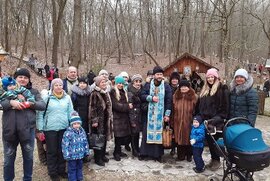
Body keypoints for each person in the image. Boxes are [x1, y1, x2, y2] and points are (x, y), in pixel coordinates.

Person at [1, 68, 46, 181]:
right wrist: (11, 102)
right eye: (20, 77)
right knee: (8, 160)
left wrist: (29, 103)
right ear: (15, 79)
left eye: (26, 77)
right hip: (10, 129)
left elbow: (42, 105)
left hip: (28, 130)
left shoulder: (33, 91)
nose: (23, 79)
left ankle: (27, 178)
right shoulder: (5, 90)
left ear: (29, 80)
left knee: (29, 158)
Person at [36, 78, 74, 181]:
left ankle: (61, 170)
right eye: (56, 85)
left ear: (63, 86)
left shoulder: (67, 98)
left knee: (62, 150)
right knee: (51, 151)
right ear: (52, 86)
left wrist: (72, 124)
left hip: (63, 128)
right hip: (50, 129)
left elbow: (71, 112)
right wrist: (40, 129)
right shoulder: (46, 97)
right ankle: (52, 172)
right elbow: (40, 114)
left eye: (60, 85)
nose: (58, 87)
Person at [198, 68, 229, 171]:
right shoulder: (205, 89)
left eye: (212, 77)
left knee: (214, 141)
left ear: (216, 77)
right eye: (208, 77)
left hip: (217, 120)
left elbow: (224, 106)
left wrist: (217, 118)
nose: (210, 79)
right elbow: (202, 105)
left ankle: (217, 160)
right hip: (207, 120)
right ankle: (213, 159)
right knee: (210, 141)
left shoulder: (222, 89)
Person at [140, 66, 172, 162]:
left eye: (161, 74)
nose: (159, 76)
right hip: (149, 114)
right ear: (154, 75)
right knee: (147, 134)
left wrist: (167, 114)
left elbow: (169, 101)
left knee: (159, 135)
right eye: (157, 74)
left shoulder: (166, 86)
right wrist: (151, 98)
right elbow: (142, 95)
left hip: (160, 115)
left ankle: (157, 155)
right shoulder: (148, 85)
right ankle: (144, 153)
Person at [89, 75, 113, 166]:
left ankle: (102, 155)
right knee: (98, 139)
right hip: (98, 121)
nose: (104, 84)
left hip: (106, 119)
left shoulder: (106, 92)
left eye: (105, 82)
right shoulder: (94, 93)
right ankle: (97, 158)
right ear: (98, 84)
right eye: (102, 82)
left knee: (104, 138)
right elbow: (93, 108)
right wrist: (94, 120)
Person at [172, 79, 197, 161]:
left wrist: (195, 120)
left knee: (188, 138)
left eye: (185, 87)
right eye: (182, 87)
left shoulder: (194, 97)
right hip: (177, 121)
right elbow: (172, 109)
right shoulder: (175, 96)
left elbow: (196, 110)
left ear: (189, 87)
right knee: (179, 139)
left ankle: (189, 155)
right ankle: (180, 155)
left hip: (189, 121)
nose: (183, 88)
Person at [62, 111, 90, 181]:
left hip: (80, 154)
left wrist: (86, 151)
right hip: (72, 156)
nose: (76, 125)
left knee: (80, 167)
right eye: (74, 124)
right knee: (72, 168)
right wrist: (67, 154)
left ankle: (79, 178)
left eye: (78, 123)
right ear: (71, 124)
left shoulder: (82, 132)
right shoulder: (68, 133)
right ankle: (72, 179)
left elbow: (85, 142)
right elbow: (65, 145)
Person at [110, 76, 132, 161]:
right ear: (116, 83)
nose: (120, 85)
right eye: (119, 83)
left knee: (123, 136)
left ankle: (119, 151)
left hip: (124, 118)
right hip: (117, 118)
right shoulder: (113, 92)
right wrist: (127, 106)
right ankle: (116, 153)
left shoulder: (124, 92)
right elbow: (116, 106)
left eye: (122, 83)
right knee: (118, 137)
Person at [71, 76, 92, 162]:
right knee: (78, 136)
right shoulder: (74, 94)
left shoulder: (89, 93)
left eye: (84, 83)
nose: (82, 85)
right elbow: (73, 107)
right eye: (81, 83)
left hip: (88, 118)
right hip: (79, 119)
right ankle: (79, 154)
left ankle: (85, 154)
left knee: (86, 136)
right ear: (78, 83)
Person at [127, 74, 143, 157]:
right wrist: (132, 120)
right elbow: (130, 107)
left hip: (139, 115)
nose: (138, 83)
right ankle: (134, 150)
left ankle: (137, 148)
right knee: (134, 134)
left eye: (140, 81)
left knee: (137, 134)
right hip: (134, 116)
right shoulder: (130, 92)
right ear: (133, 82)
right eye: (136, 81)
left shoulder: (141, 90)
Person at [169, 71, 181, 156]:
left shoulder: (180, 88)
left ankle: (179, 148)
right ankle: (172, 148)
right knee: (171, 131)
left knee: (178, 131)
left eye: (176, 79)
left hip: (179, 112)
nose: (174, 81)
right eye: (173, 79)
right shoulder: (167, 88)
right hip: (170, 112)